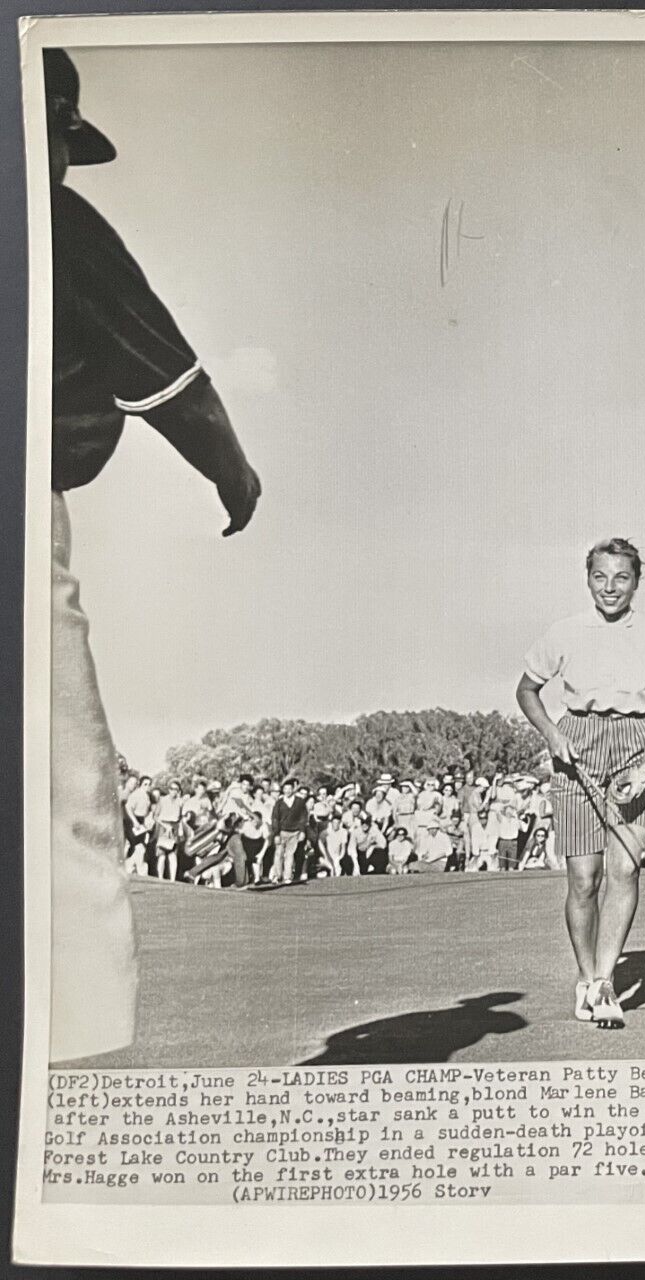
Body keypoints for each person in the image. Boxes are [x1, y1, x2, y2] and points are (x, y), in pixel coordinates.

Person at [46, 50, 261, 1059]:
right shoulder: (59, 223)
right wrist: (233, 472)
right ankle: (80, 1057)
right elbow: (170, 383)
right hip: (19, 505)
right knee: (67, 795)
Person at [517, 537, 645, 1029]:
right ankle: (587, 978)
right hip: (577, 745)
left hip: (635, 747)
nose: (610, 587)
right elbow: (526, 691)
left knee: (624, 870)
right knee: (584, 879)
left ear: (636, 582)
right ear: (588, 579)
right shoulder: (564, 633)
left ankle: (606, 981)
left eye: (621, 578)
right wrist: (553, 735)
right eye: (600, 577)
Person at [270, 780, 309, 885]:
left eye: (290, 789)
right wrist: (276, 834)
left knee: (290, 855)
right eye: (285, 789)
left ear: (293, 789)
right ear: (283, 790)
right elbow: (275, 818)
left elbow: (303, 818)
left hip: (294, 832)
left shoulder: (299, 802)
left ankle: (287, 877)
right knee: (278, 854)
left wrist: (302, 831)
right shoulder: (279, 803)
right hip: (282, 832)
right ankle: (277, 876)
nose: (287, 791)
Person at [153, 782, 184, 882]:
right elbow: (155, 816)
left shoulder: (180, 802)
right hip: (163, 826)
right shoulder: (162, 800)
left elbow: (180, 817)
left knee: (173, 855)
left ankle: (172, 880)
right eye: (172, 789)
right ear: (169, 789)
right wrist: (165, 826)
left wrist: (180, 829)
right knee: (162, 854)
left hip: (174, 826)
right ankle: (160, 878)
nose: (174, 791)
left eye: (176, 789)